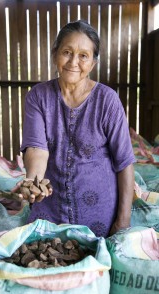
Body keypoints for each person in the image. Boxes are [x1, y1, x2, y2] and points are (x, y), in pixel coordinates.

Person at [19, 20, 136, 238]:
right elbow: (36, 149)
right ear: (55, 55)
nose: (74, 61)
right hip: (49, 211)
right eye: (67, 52)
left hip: (99, 216)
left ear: (93, 63)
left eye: (83, 55)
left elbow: (124, 162)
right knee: (43, 262)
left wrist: (123, 221)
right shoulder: (38, 96)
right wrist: (34, 183)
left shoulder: (107, 100)